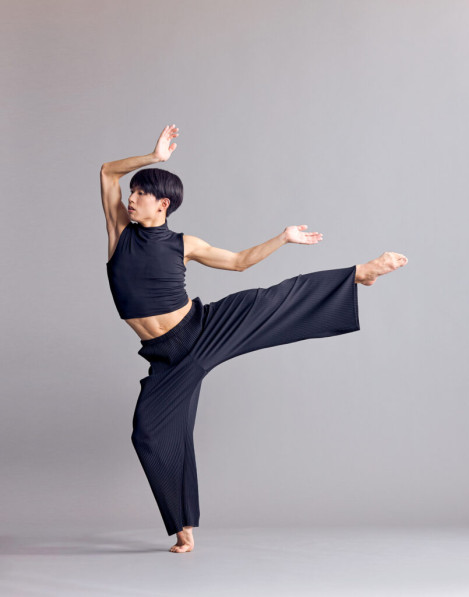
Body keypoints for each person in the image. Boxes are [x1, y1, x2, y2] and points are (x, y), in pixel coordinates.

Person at [100, 124, 408, 553]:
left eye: (140, 193)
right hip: (165, 358)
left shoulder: (183, 243)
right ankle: (182, 528)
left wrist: (282, 238)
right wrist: (155, 158)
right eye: (131, 192)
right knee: (149, 434)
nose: (130, 198)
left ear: (163, 204)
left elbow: (241, 262)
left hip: (202, 331)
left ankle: (359, 274)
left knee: (270, 302)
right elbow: (106, 172)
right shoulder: (120, 232)